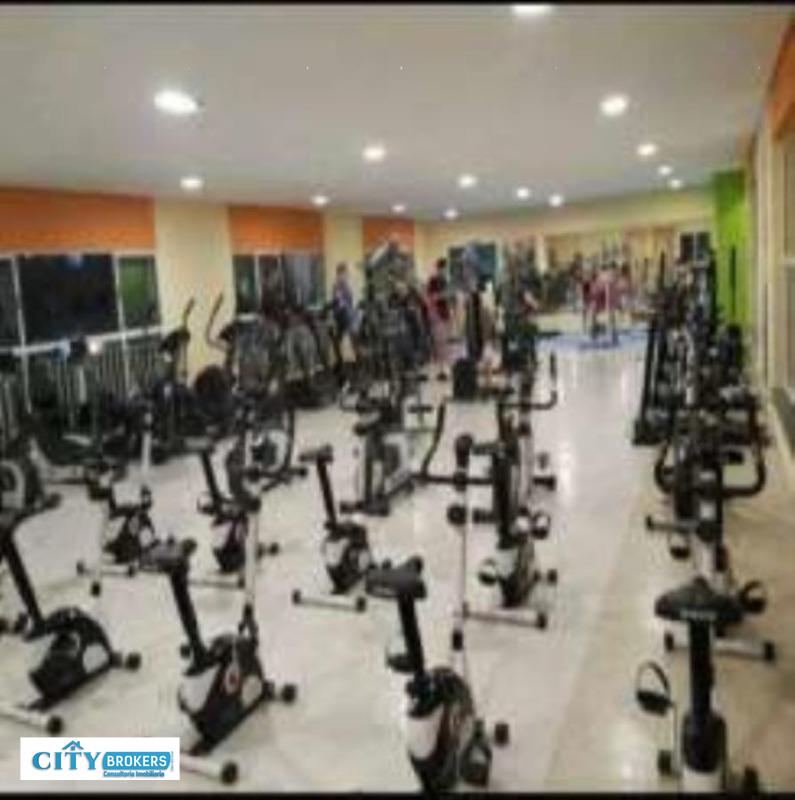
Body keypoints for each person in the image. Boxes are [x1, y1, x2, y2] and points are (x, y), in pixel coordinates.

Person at [426, 258, 452, 380]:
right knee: (439, 343)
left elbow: (446, 298)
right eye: (443, 269)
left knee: (445, 343)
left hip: (445, 314)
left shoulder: (444, 280)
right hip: (437, 315)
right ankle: (441, 369)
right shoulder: (433, 281)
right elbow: (431, 298)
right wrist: (443, 295)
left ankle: (446, 368)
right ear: (439, 268)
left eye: (445, 269)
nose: (444, 271)